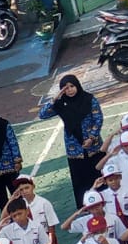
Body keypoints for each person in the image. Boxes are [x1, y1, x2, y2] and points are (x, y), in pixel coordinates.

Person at [38, 75, 105, 205]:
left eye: (72, 86)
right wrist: (55, 98)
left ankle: (105, 201)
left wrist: (91, 137)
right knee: (80, 180)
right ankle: (84, 206)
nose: (70, 90)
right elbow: (42, 115)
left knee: (99, 175)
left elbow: (98, 119)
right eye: (66, 88)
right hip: (75, 149)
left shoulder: (89, 99)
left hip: (93, 147)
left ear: (77, 85)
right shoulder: (60, 104)